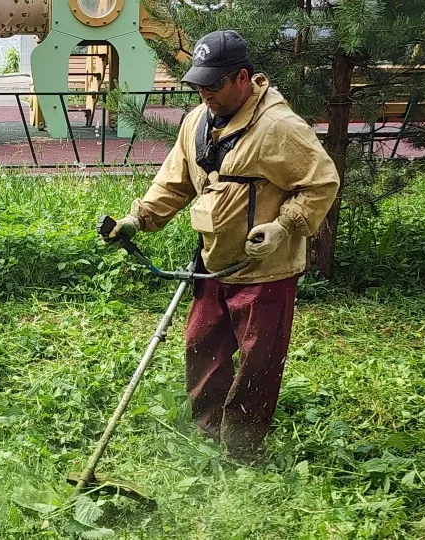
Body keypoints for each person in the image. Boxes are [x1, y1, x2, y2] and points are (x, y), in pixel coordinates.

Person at [105, 30, 340, 461]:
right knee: (202, 346)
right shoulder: (197, 122)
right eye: (199, 85)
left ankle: (243, 447)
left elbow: (322, 182)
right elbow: (173, 182)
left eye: (214, 85)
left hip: (264, 270)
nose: (205, 93)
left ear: (243, 78)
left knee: (258, 362)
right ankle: (210, 430)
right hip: (212, 264)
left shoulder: (278, 127)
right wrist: (137, 219)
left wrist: (284, 226)